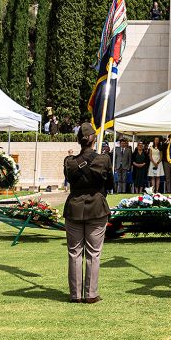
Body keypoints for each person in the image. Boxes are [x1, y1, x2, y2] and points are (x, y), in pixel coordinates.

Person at [64, 123, 112, 303]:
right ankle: (90, 294)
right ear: (94, 140)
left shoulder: (69, 162)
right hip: (96, 207)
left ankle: (76, 294)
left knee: (74, 252)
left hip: (75, 207)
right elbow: (110, 185)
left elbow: (69, 179)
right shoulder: (103, 160)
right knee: (93, 253)